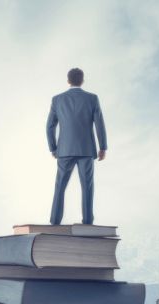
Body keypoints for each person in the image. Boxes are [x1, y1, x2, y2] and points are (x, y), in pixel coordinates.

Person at [45, 67, 107, 225]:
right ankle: (87, 222)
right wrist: (103, 147)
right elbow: (99, 124)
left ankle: (54, 222)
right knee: (87, 186)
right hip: (86, 149)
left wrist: (53, 148)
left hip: (64, 150)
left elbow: (50, 126)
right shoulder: (92, 98)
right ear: (83, 80)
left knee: (60, 186)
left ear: (68, 80)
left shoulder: (57, 99)